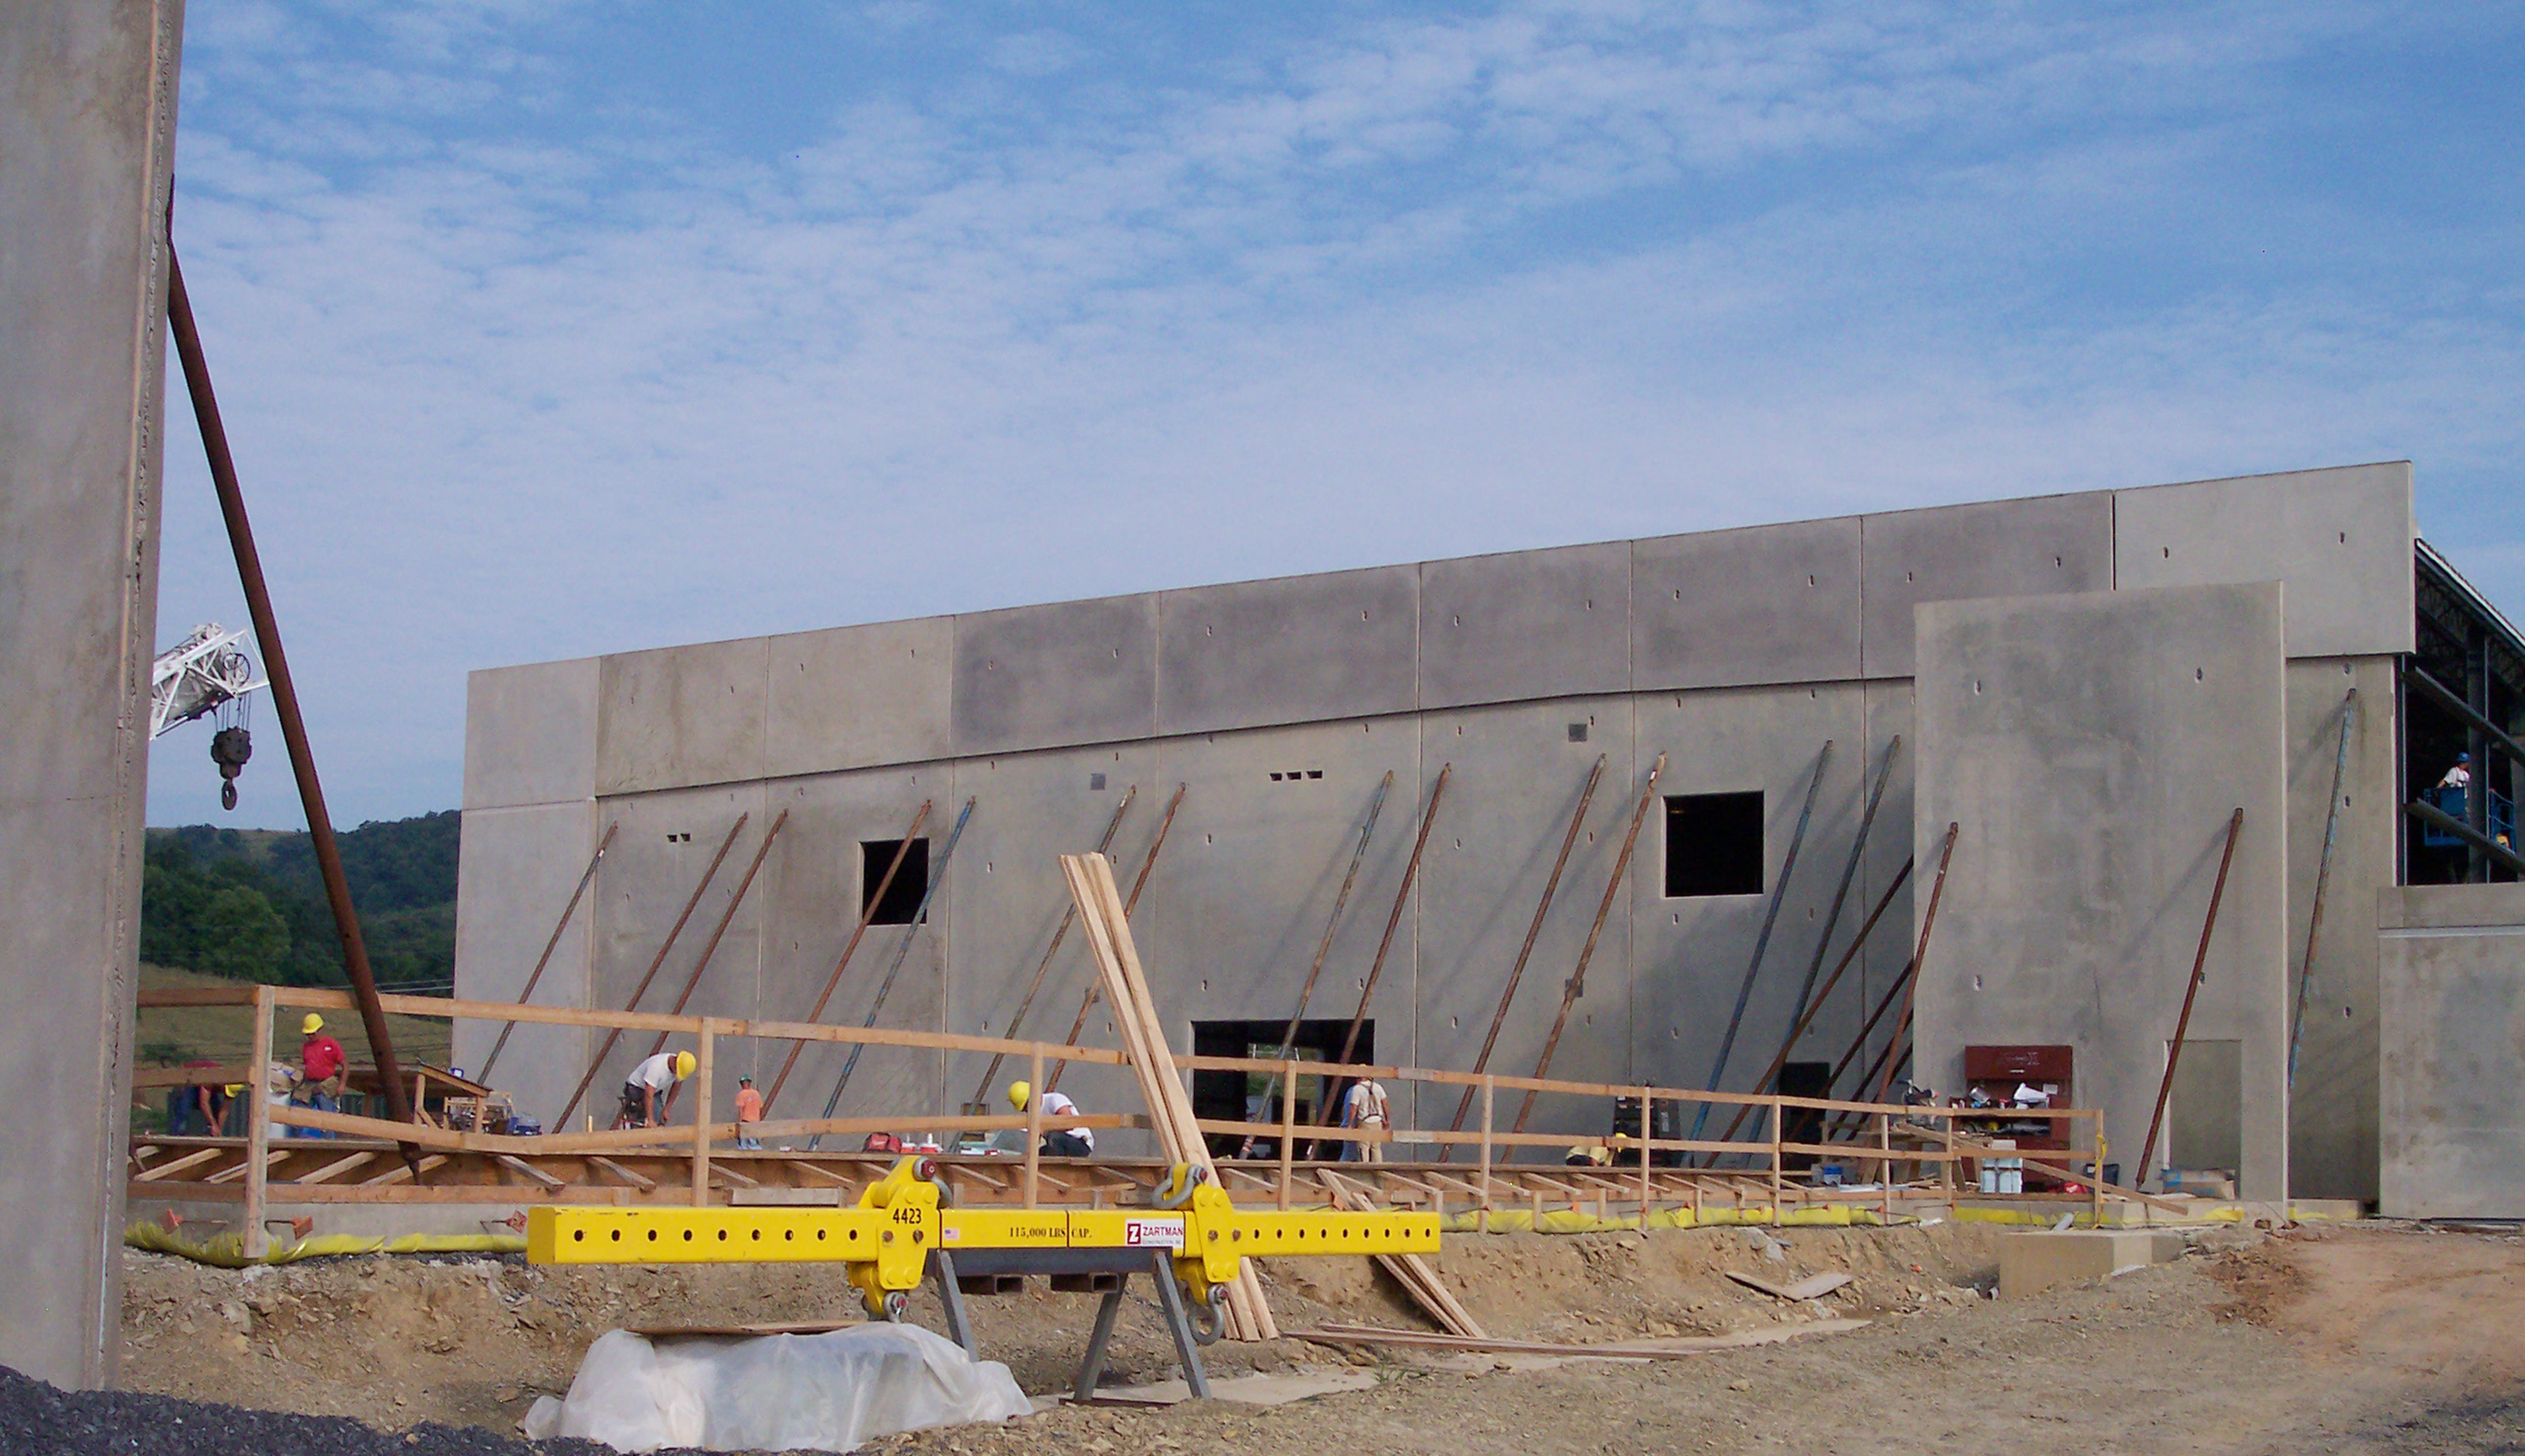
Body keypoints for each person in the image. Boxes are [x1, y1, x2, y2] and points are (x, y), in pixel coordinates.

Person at [1007, 1080, 1092, 1157]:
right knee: (1035, 1154)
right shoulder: (1033, 1115)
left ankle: (1055, 1169)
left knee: (1054, 1136)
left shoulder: (1054, 1099)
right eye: (1024, 1109)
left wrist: (1043, 1128)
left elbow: (1068, 1124)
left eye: (1026, 1106)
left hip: (1080, 1144)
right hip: (1057, 1145)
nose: (1027, 1111)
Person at [615, 1049, 695, 1129]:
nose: (676, 1075)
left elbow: (676, 1087)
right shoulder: (657, 1067)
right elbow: (648, 1093)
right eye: (677, 1072)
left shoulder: (680, 1067)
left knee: (658, 1120)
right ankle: (628, 1126)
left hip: (653, 1091)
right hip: (635, 1089)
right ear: (675, 1064)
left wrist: (667, 1109)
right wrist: (650, 1120)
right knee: (649, 1119)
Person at [296, 1013, 347, 1138]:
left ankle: (329, 1141)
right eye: (308, 1034)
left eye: (313, 1033)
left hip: (326, 1083)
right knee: (298, 1111)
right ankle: (296, 1139)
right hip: (309, 1083)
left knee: (326, 1116)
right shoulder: (306, 1047)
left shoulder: (331, 1044)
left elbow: (345, 1065)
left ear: (320, 1030)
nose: (311, 1036)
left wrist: (342, 1084)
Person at [1337, 1076, 1390, 1163]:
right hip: (1377, 1120)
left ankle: (1364, 1169)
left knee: (1363, 1148)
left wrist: (1349, 1124)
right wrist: (1387, 1120)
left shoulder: (1357, 1089)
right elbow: (1385, 1104)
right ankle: (1379, 1168)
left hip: (1365, 1121)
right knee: (1376, 1147)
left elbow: (1353, 1108)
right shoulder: (1378, 1087)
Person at [733, 1074, 764, 1150]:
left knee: (743, 1144)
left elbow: (741, 1109)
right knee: (754, 1142)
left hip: (746, 1121)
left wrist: (739, 1122)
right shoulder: (756, 1094)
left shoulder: (742, 1094)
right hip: (755, 1121)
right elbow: (760, 1107)